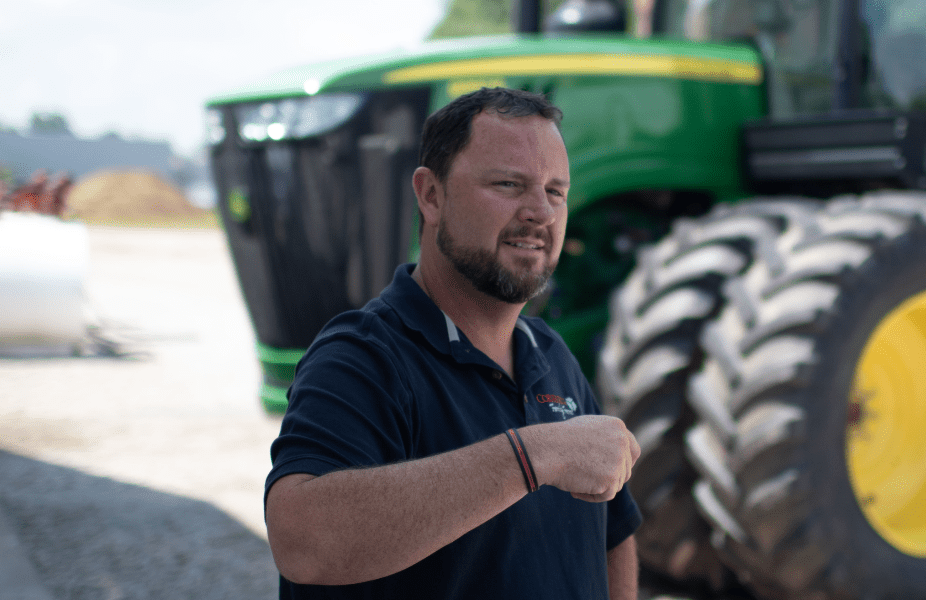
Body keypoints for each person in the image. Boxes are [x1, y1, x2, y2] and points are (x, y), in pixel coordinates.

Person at [264, 87, 643, 599]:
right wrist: (532, 457)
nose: (542, 213)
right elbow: (303, 543)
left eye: (556, 191)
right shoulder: (363, 358)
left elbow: (613, 535)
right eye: (509, 184)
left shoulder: (552, 356)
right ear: (431, 195)